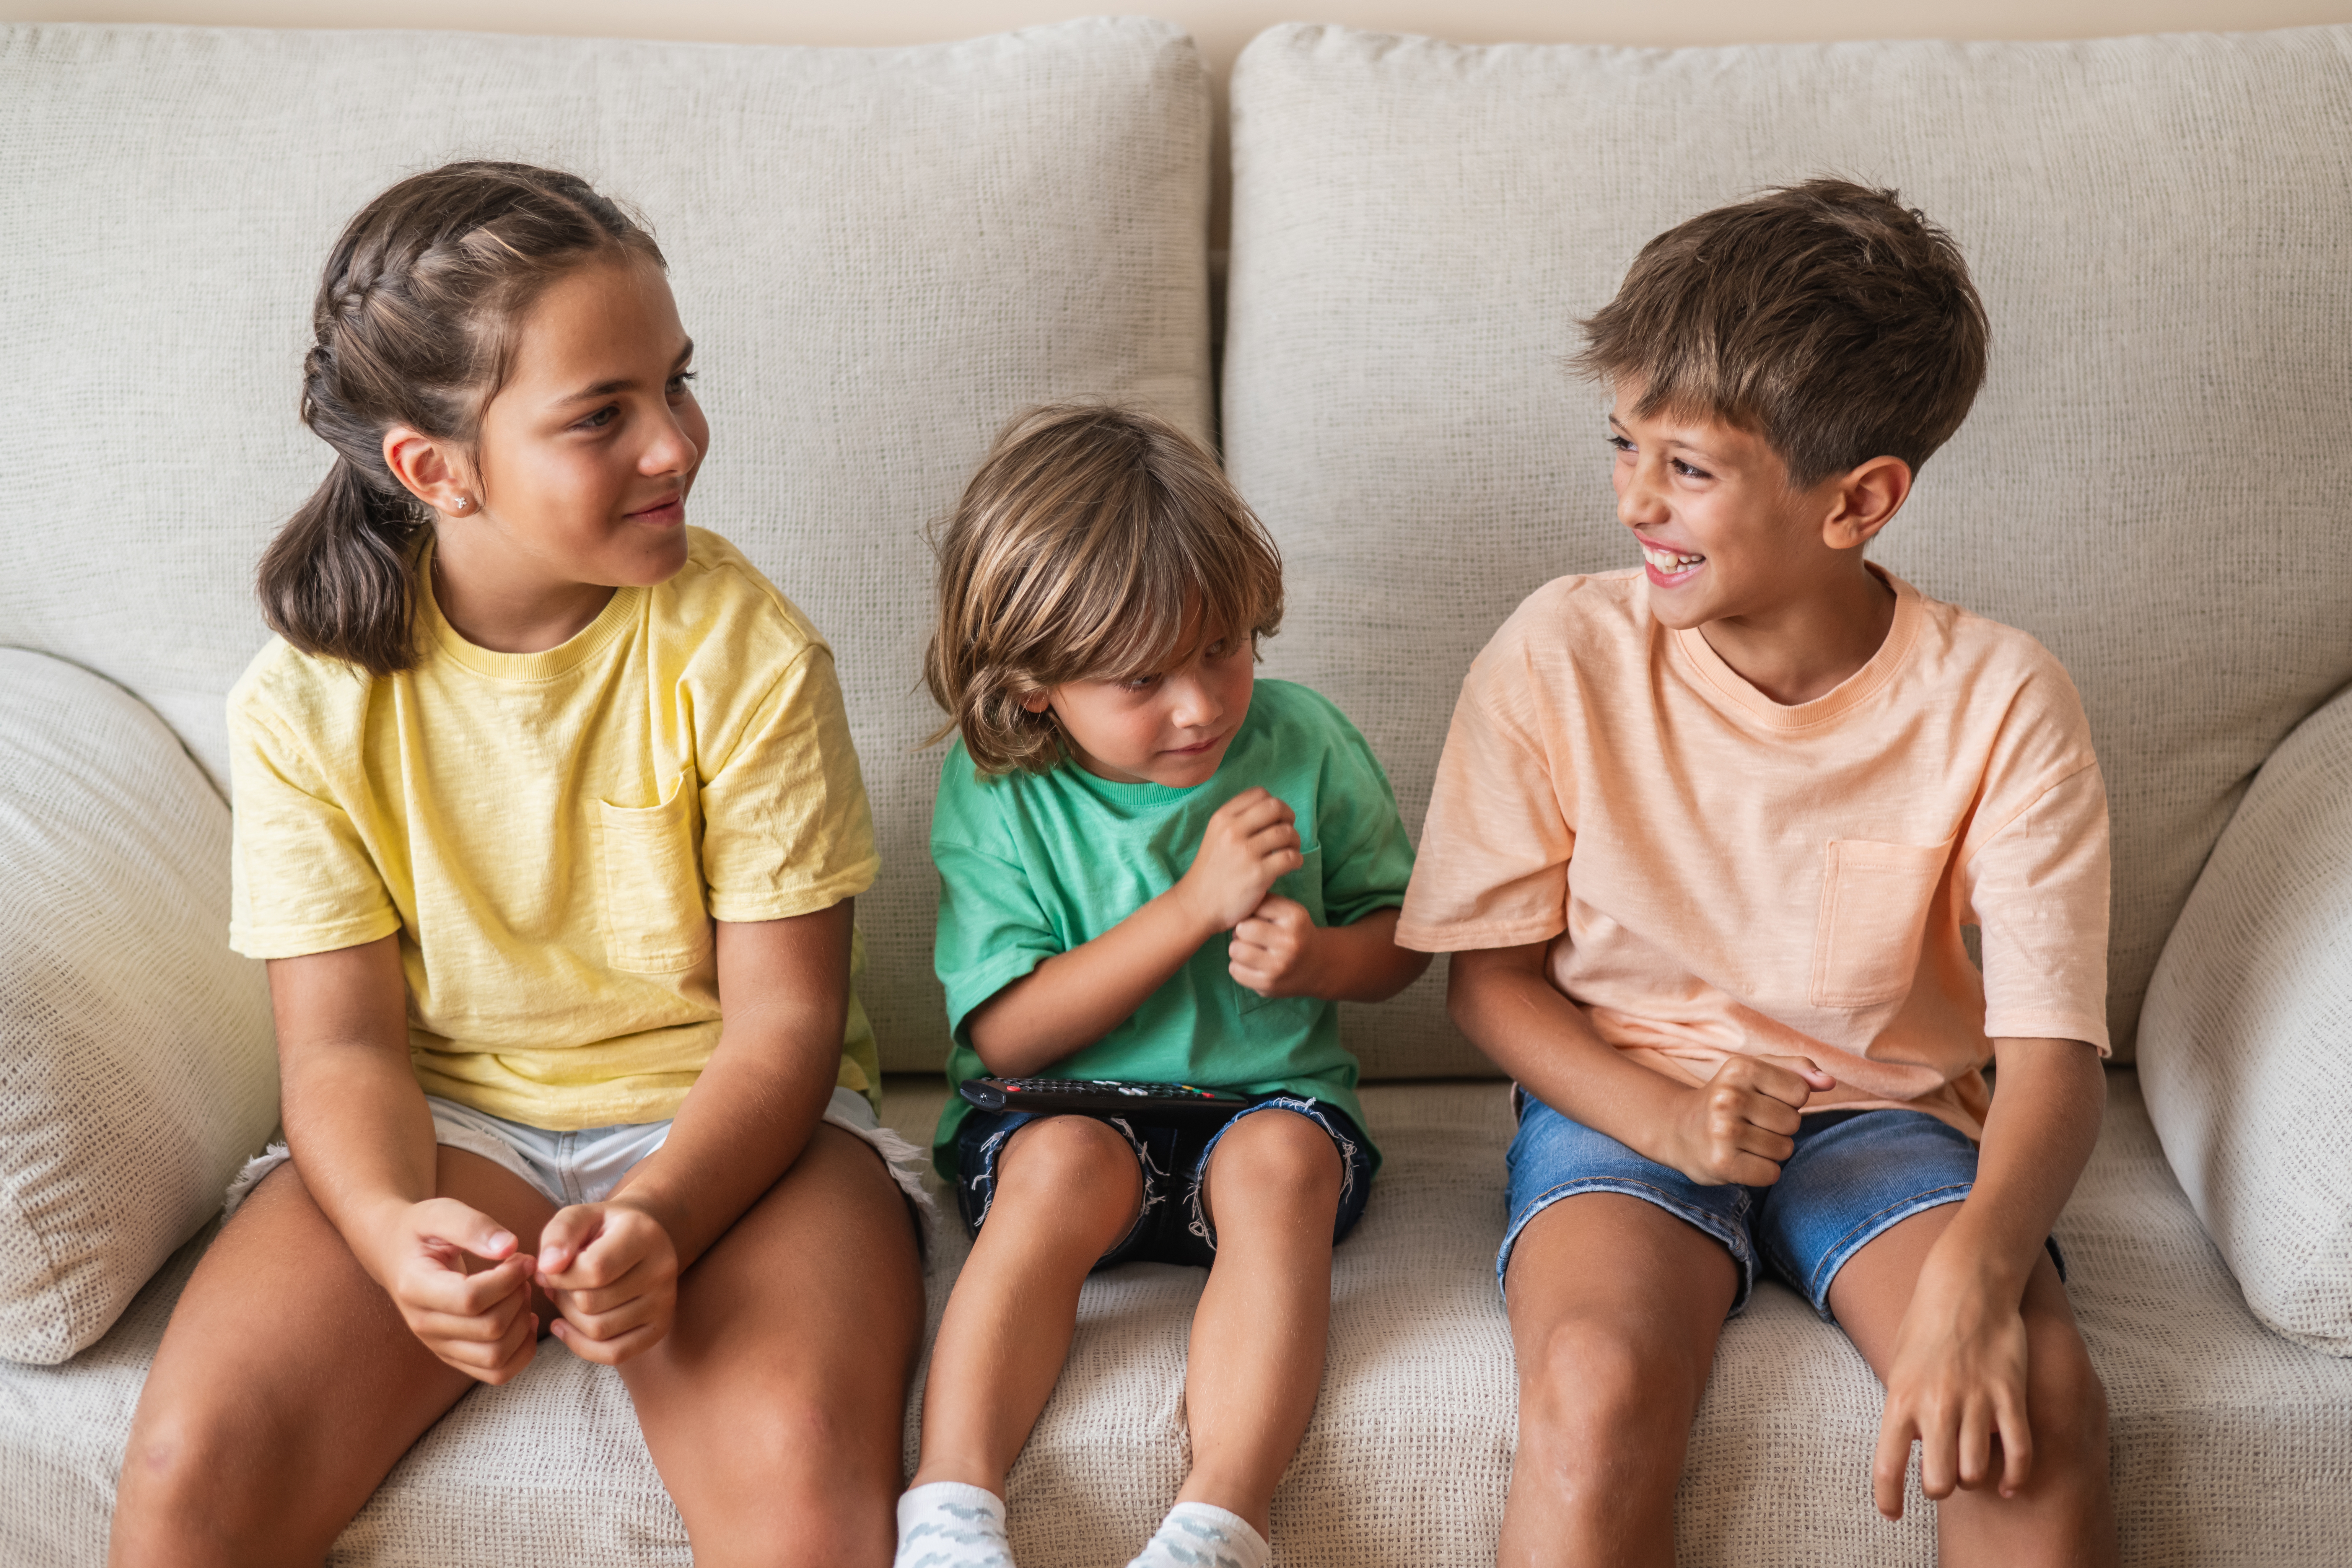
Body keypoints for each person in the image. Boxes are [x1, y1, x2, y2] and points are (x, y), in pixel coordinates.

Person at [109, 162, 928, 1568]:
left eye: (677, 384)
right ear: (436, 468)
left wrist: (661, 1213)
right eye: (601, 416)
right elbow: (341, 1051)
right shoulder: (305, 703)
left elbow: (786, 1024)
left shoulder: (744, 653)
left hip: (734, 1130)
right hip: (451, 1124)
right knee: (190, 1476)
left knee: (799, 1489)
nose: (675, 444)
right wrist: (387, 1224)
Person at [1396, 179, 2120, 1566]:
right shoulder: (1558, 654)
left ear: (1857, 500)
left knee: (2031, 1405)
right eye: (1622, 445)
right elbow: (1484, 989)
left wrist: (1978, 1276)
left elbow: (2049, 1052)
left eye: (1685, 468)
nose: (1630, 501)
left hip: (1888, 1116)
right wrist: (1663, 1118)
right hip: (1623, 1102)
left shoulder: (1999, 699)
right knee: (1595, 1389)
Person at [891, 403, 1428, 1568]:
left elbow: (1403, 940)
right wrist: (1192, 905)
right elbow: (1007, 1041)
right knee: (1063, 1159)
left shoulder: (1305, 741)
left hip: (1264, 1109)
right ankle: (947, 1510)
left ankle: (1220, 1522)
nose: (1199, 703)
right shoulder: (1003, 792)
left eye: (1223, 647)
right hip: (1062, 1111)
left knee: (1280, 1162)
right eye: (1141, 677)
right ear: (1031, 684)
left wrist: (1322, 958)